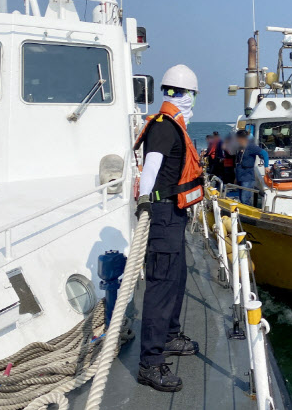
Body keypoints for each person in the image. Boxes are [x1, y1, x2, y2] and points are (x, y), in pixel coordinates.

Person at [133, 64, 204, 392]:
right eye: (187, 94)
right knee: (161, 287)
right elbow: (151, 169)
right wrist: (145, 203)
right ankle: (150, 363)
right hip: (161, 215)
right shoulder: (164, 126)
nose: (188, 99)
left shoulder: (175, 126)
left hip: (174, 215)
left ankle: (170, 336)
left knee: (176, 279)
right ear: (186, 95)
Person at [235, 129, 270, 206]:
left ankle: (247, 214)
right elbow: (238, 162)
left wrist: (266, 166)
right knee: (241, 198)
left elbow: (264, 153)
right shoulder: (240, 147)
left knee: (245, 198)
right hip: (240, 175)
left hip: (247, 176)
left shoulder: (251, 147)